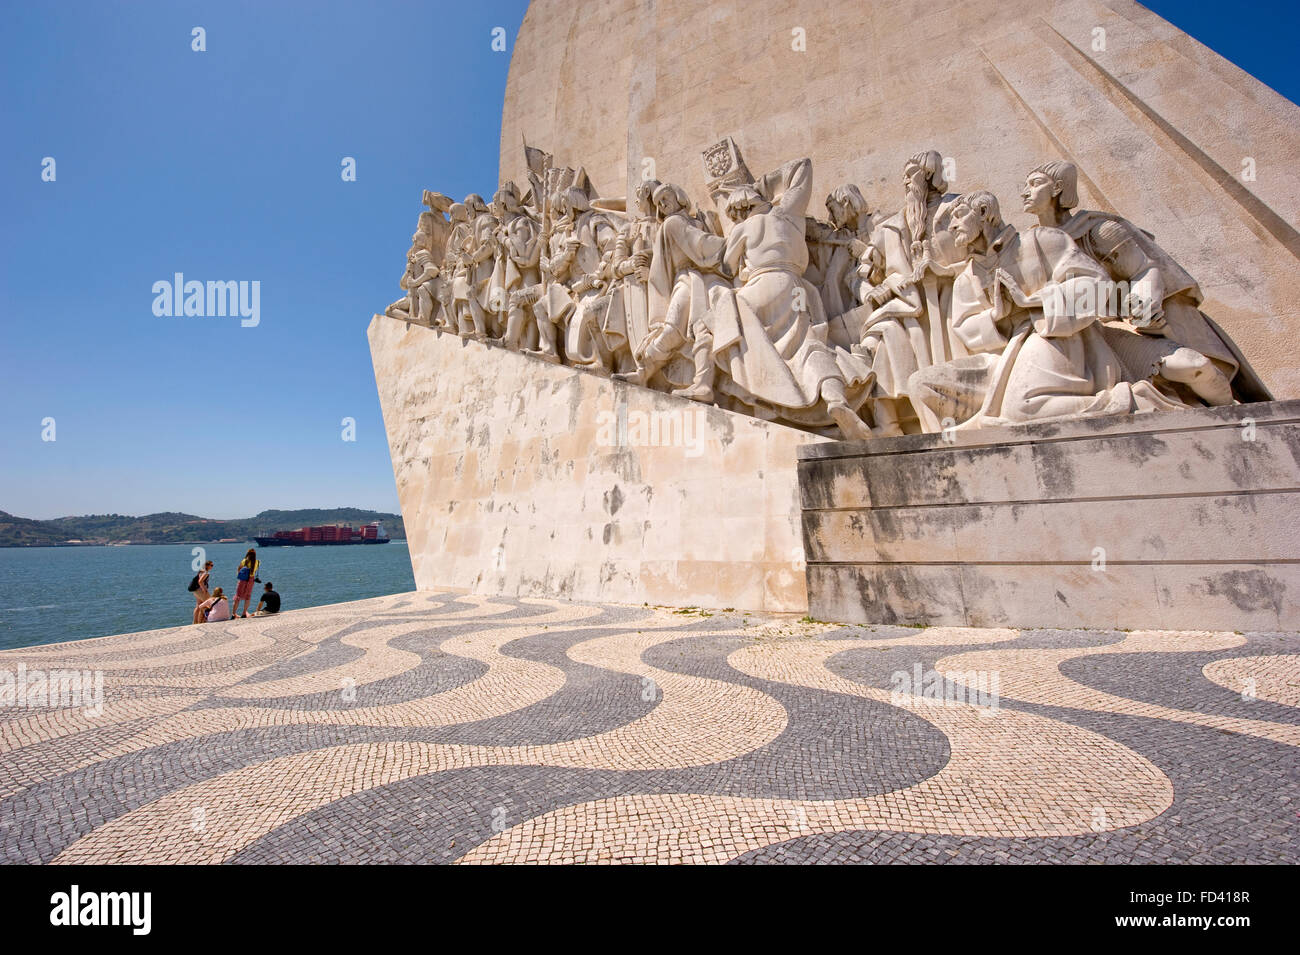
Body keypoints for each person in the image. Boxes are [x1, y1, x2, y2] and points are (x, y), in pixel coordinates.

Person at [233, 548, 260, 619]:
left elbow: (239, 569)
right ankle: (244, 613)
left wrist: (239, 575)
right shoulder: (257, 562)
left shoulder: (244, 561)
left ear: (247, 554)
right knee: (248, 597)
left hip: (243, 580)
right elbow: (255, 570)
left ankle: (234, 614)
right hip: (251, 580)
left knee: (238, 596)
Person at [190, 559, 214, 624]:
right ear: (207, 566)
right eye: (211, 565)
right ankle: (203, 620)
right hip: (201, 591)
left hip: (196, 591)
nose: (212, 567)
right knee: (209, 604)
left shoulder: (201, 571)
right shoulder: (206, 573)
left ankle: (195, 621)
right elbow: (200, 581)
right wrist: (204, 589)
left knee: (198, 606)